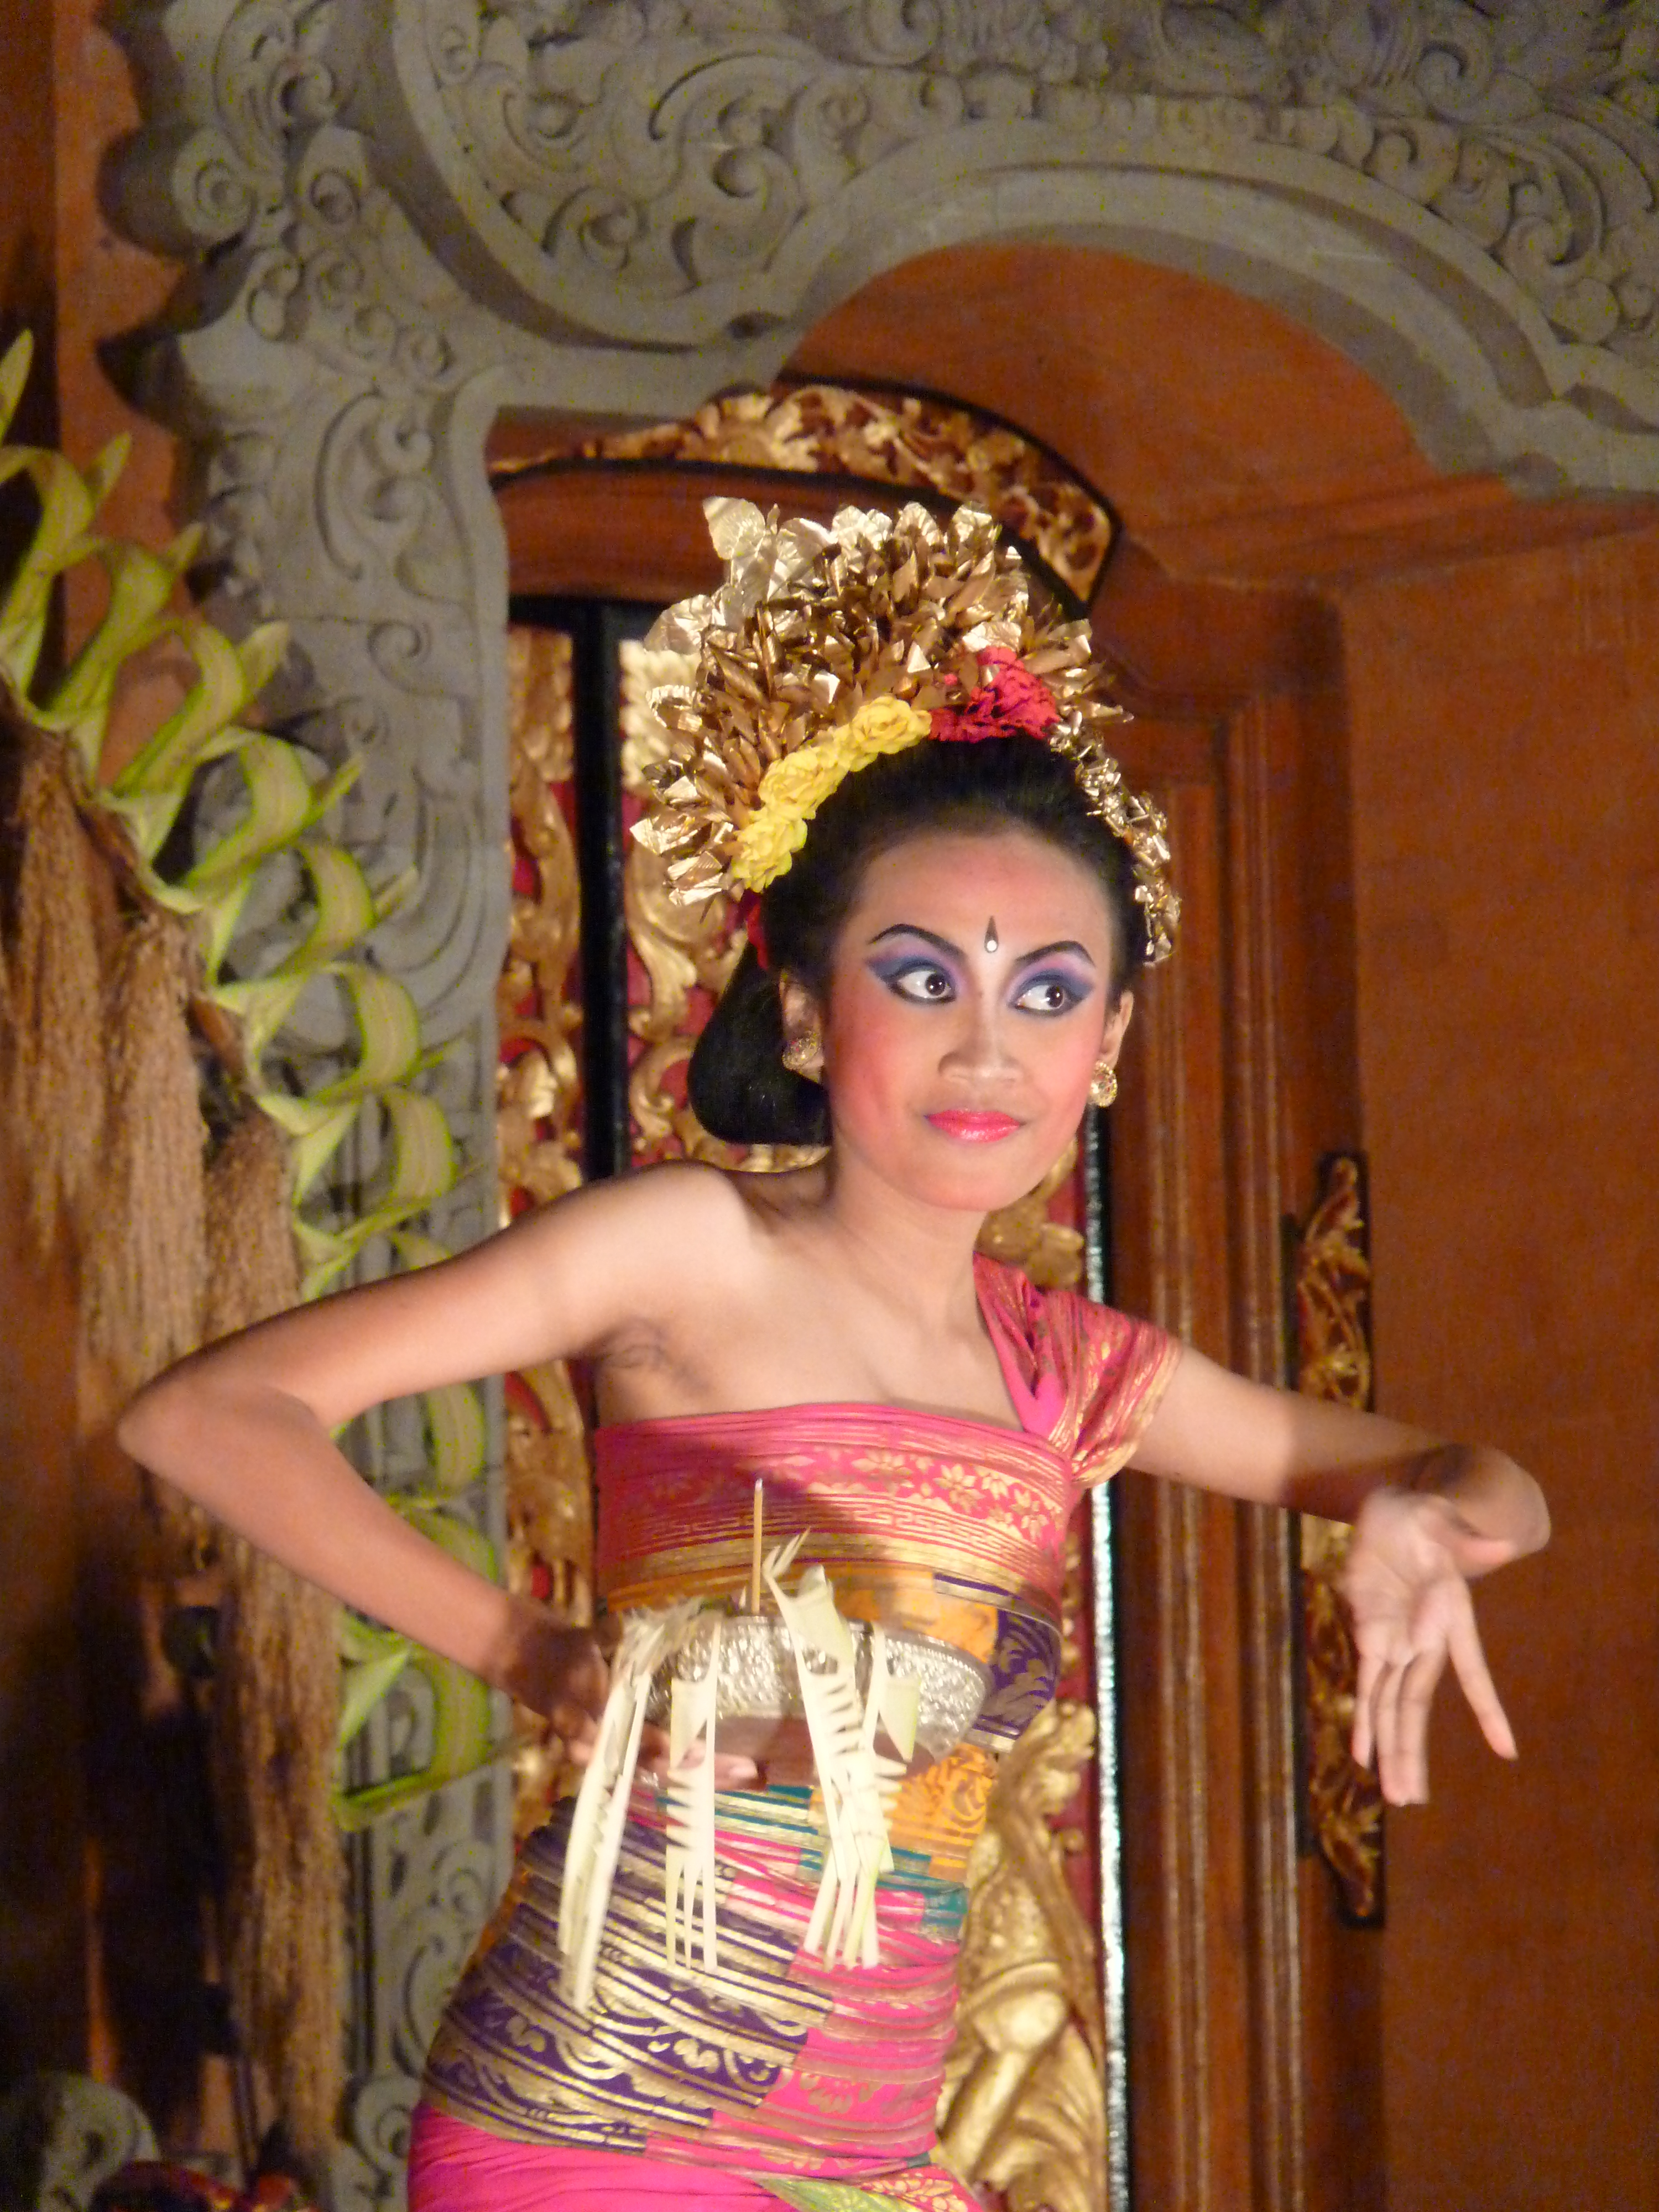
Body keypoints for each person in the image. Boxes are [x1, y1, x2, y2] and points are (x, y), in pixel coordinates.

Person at [119, 500, 1548, 2212]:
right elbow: (211, 1416)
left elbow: (1495, 1489)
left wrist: (1423, 1511)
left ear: (1107, 1043)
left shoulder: (1070, 1369)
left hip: (872, 2147)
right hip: (606, 2122)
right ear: (802, 1006)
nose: (986, 1051)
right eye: (924, 977)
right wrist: (535, 1653)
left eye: (1048, 994)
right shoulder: (689, 1250)